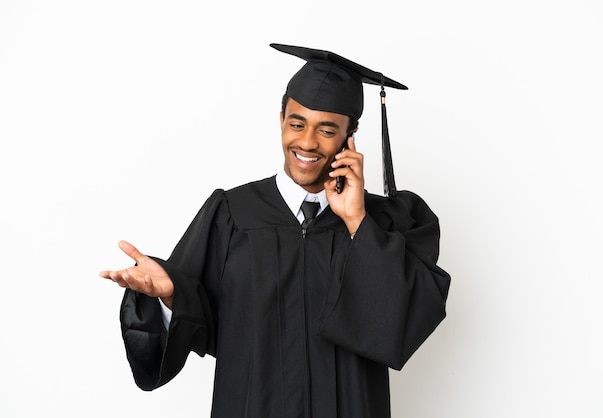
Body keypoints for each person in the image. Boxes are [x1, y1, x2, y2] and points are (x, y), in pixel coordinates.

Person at [99, 43, 451, 418]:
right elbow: (207, 325)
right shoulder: (232, 213)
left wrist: (356, 222)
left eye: (327, 130)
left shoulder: (386, 221)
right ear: (281, 119)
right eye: (297, 124)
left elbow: (406, 320)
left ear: (351, 137)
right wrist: (172, 298)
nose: (307, 142)